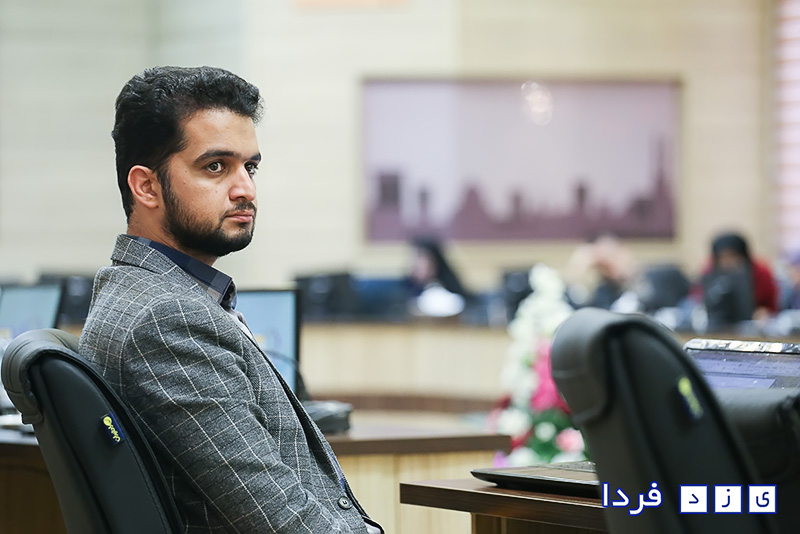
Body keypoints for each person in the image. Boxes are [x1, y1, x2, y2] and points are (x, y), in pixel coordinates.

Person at [78, 66, 382, 533]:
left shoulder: (141, 295)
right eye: (215, 167)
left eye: (250, 167)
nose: (245, 189)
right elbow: (279, 519)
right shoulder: (167, 320)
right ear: (146, 187)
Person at [698, 232, 778, 321]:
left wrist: (764, 312)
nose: (727, 262)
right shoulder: (709, 272)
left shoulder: (760, 272)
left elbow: (771, 305)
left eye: (732, 256)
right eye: (722, 257)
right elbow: (698, 298)